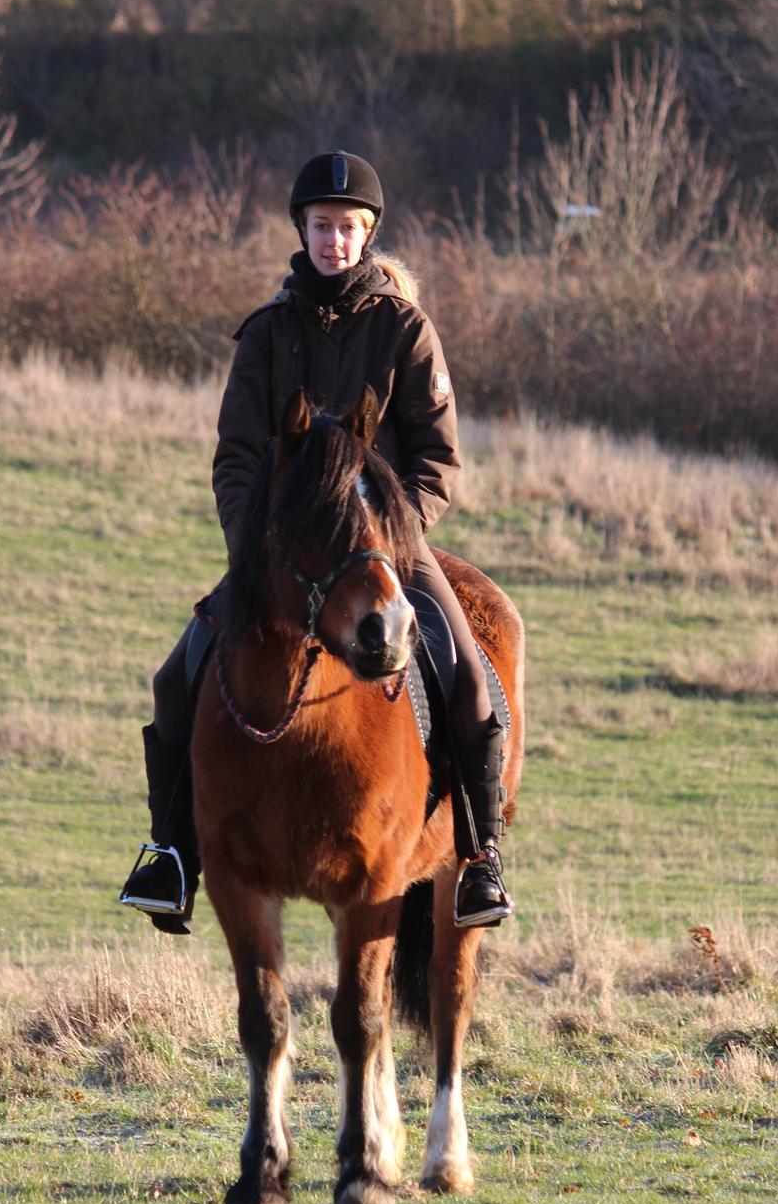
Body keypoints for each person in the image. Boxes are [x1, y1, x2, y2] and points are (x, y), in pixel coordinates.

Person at [119, 150, 512, 933]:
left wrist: (391, 538)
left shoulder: (405, 328)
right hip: (280, 557)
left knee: (467, 672)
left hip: (382, 550)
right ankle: (169, 853)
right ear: (302, 229)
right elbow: (235, 457)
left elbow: (436, 462)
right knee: (176, 677)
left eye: (348, 228)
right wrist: (257, 546)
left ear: (369, 235)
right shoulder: (265, 334)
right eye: (322, 225)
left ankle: (479, 858)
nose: (334, 240)